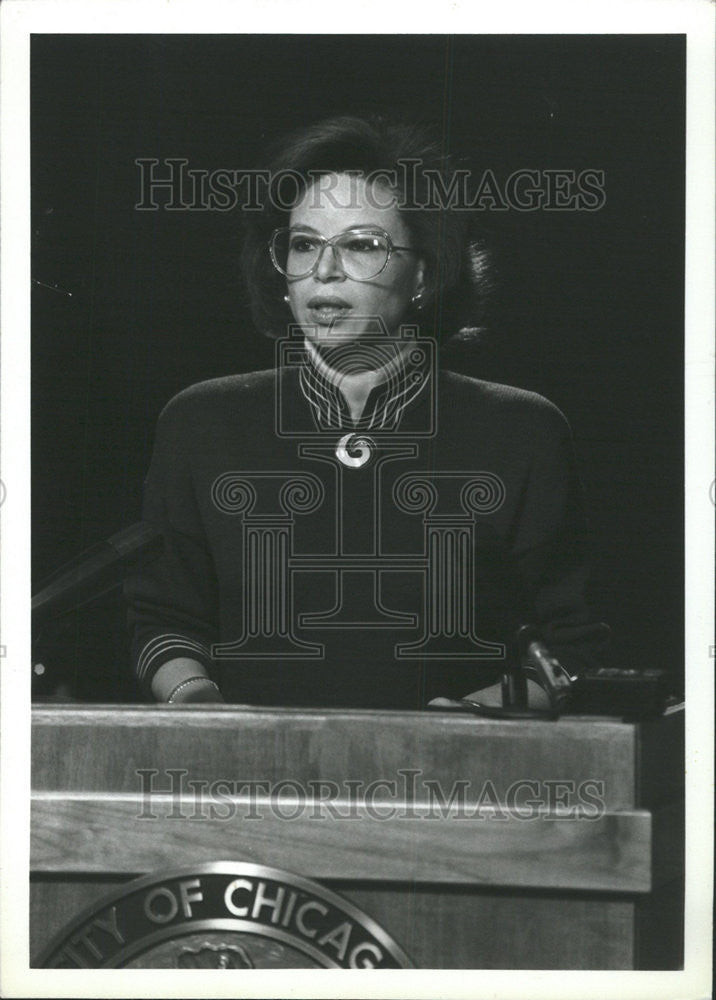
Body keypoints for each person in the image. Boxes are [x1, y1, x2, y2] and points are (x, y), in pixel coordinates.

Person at [124, 116, 611, 709]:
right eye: (303, 244)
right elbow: (164, 621)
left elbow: (570, 651)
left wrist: (469, 722)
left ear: (425, 273)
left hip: (453, 787)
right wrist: (200, 706)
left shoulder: (523, 430)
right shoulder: (201, 421)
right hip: (247, 786)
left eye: (361, 246)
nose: (323, 271)